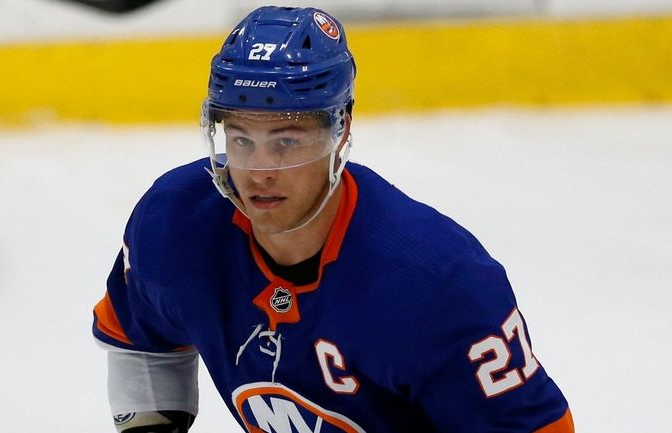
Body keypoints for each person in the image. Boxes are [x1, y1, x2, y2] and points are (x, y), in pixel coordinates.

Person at [92, 6, 575, 433]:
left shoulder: (436, 284)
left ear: (339, 133)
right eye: (241, 140)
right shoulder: (176, 225)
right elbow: (141, 340)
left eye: (286, 142)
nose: (259, 173)